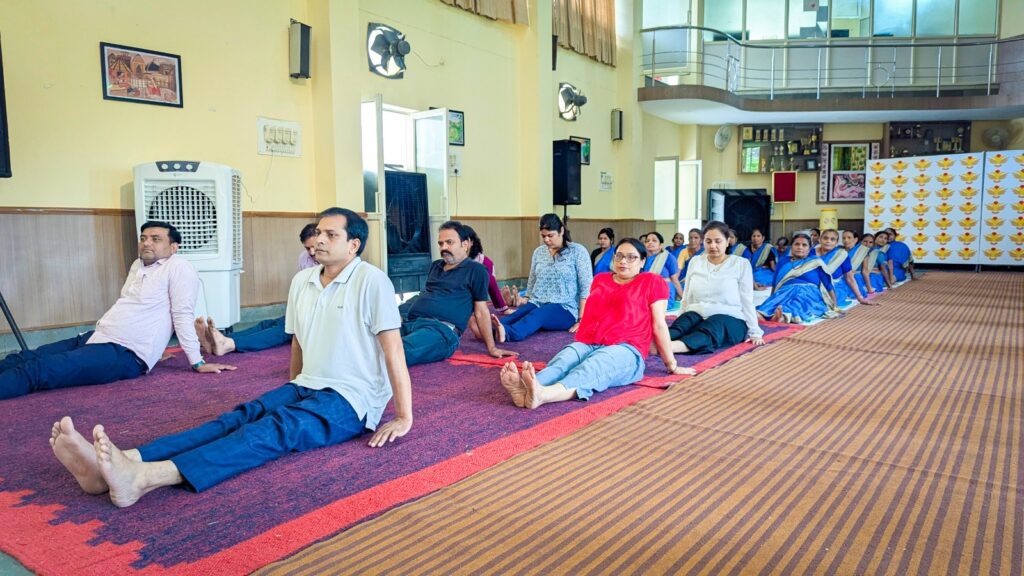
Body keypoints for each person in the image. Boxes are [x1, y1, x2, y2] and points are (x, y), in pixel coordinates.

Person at [48, 208, 414, 507]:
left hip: (351, 399)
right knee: (241, 416)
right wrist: (291, 388)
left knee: (276, 428)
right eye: (318, 232)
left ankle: (147, 477)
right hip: (307, 384)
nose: (319, 239)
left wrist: (403, 416)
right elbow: (298, 343)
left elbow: (393, 350)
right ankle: (122, 461)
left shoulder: (371, 281)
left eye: (331, 235)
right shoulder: (301, 281)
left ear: (353, 245)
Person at [0, 222, 234, 400]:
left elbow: (181, 315)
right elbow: (131, 305)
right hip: (96, 337)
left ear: (173, 247)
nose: (147, 243)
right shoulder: (137, 265)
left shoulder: (180, 267)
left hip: (124, 353)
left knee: (37, 370)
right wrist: (156, 349)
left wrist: (197, 362)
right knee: (24, 357)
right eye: (143, 238)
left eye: (156, 239)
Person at [498, 238, 695, 409]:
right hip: (591, 341)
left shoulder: (652, 281)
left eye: (631, 257)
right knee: (565, 358)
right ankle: (525, 389)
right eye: (619, 256)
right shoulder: (601, 279)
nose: (623, 261)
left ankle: (543, 395)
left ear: (643, 261)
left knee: (593, 366)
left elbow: (659, 325)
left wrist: (672, 365)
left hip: (627, 348)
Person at [401, 221, 515, 365]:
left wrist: (492, 347)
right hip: (412, 323)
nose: (444, 247)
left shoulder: (477, 270)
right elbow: (426, 295)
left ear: (465, 244)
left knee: (397, 351)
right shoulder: (435, 266)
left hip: (441, 331)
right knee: (375, 341)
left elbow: (481, 311)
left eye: (449, 242)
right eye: (441, 243)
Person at [197, 223, 320, 355]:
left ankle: (230, 344)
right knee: (267, 324)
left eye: (314, 247)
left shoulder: (329, 263)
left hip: (317, 317)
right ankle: (218, 340)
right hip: (305, 308)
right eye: (308, 248)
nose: (311, 252)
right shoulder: (304, 258)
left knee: (284, 329)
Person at [492, 214, 592, 343]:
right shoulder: (539, 252)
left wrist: (582, 320)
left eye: (550, 235)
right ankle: (489, 331)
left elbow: (586, 288)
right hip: (538, 302)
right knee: (517, 315)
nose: (546, 240)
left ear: (561, 231)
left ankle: (507, 334)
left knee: (537, 315)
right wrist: (523, 299)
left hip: (566, 308)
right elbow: (532, 281)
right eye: (543, 236)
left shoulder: (578, 251)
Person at [669, 221, 765, 354]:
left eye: (718, 241)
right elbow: (686, 296)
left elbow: (746, 300)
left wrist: (754, 331)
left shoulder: (741, 264)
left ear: (727, 241)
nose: (713, 245)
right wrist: (681, 318)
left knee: (714, 324)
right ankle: (656, 342)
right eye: (708, 241)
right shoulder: (695, 262)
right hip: (698, 313)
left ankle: (671, 347)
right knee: (684, 323)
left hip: (729, 319)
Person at [756, 232, 836, 324]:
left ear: (809, 249)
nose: (800, 247)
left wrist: (834, 305)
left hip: (808, 292)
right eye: (797, 244)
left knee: (798, 301)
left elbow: (828, 285)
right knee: (776, 301)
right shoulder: (783, 261)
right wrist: (772, 298)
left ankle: (784, 316)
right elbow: (776, 283)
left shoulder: (816, 262)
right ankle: (767, 314)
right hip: (785, 291)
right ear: (792, 247)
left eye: (804, 245)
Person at [465, 225, 510, 339]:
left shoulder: (483, 261)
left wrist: (503, 308)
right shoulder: (452, 259)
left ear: (471, 242)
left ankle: (506, 302)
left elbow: (491, 286)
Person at [815, 229, 871, 307]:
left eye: (832, 239)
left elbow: (850, 278)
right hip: (812, 286)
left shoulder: (841, 255)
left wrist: (860, 298)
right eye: (825, 238)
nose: (828, 241)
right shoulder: (810, 252)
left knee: (820, 302)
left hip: (834, 288)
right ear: (820, 239)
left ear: (836, 242)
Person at [642, 232, 684, 303]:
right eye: (647, 241)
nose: (650, 242)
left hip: (664, 294)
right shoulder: (641, 259)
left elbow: (675, 280)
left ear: (660, 245)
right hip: (645, 293)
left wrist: (683, 298)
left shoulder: (668, 257)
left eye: (654, 240)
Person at [842, 230, 873, 297]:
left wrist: (869, 288)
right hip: (839, 278)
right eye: (844, 238)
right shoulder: (839, 250)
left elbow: (865, 271)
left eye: (849, 238)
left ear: (855, 239)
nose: (846, 240)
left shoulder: (862, 251)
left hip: (854, 279)